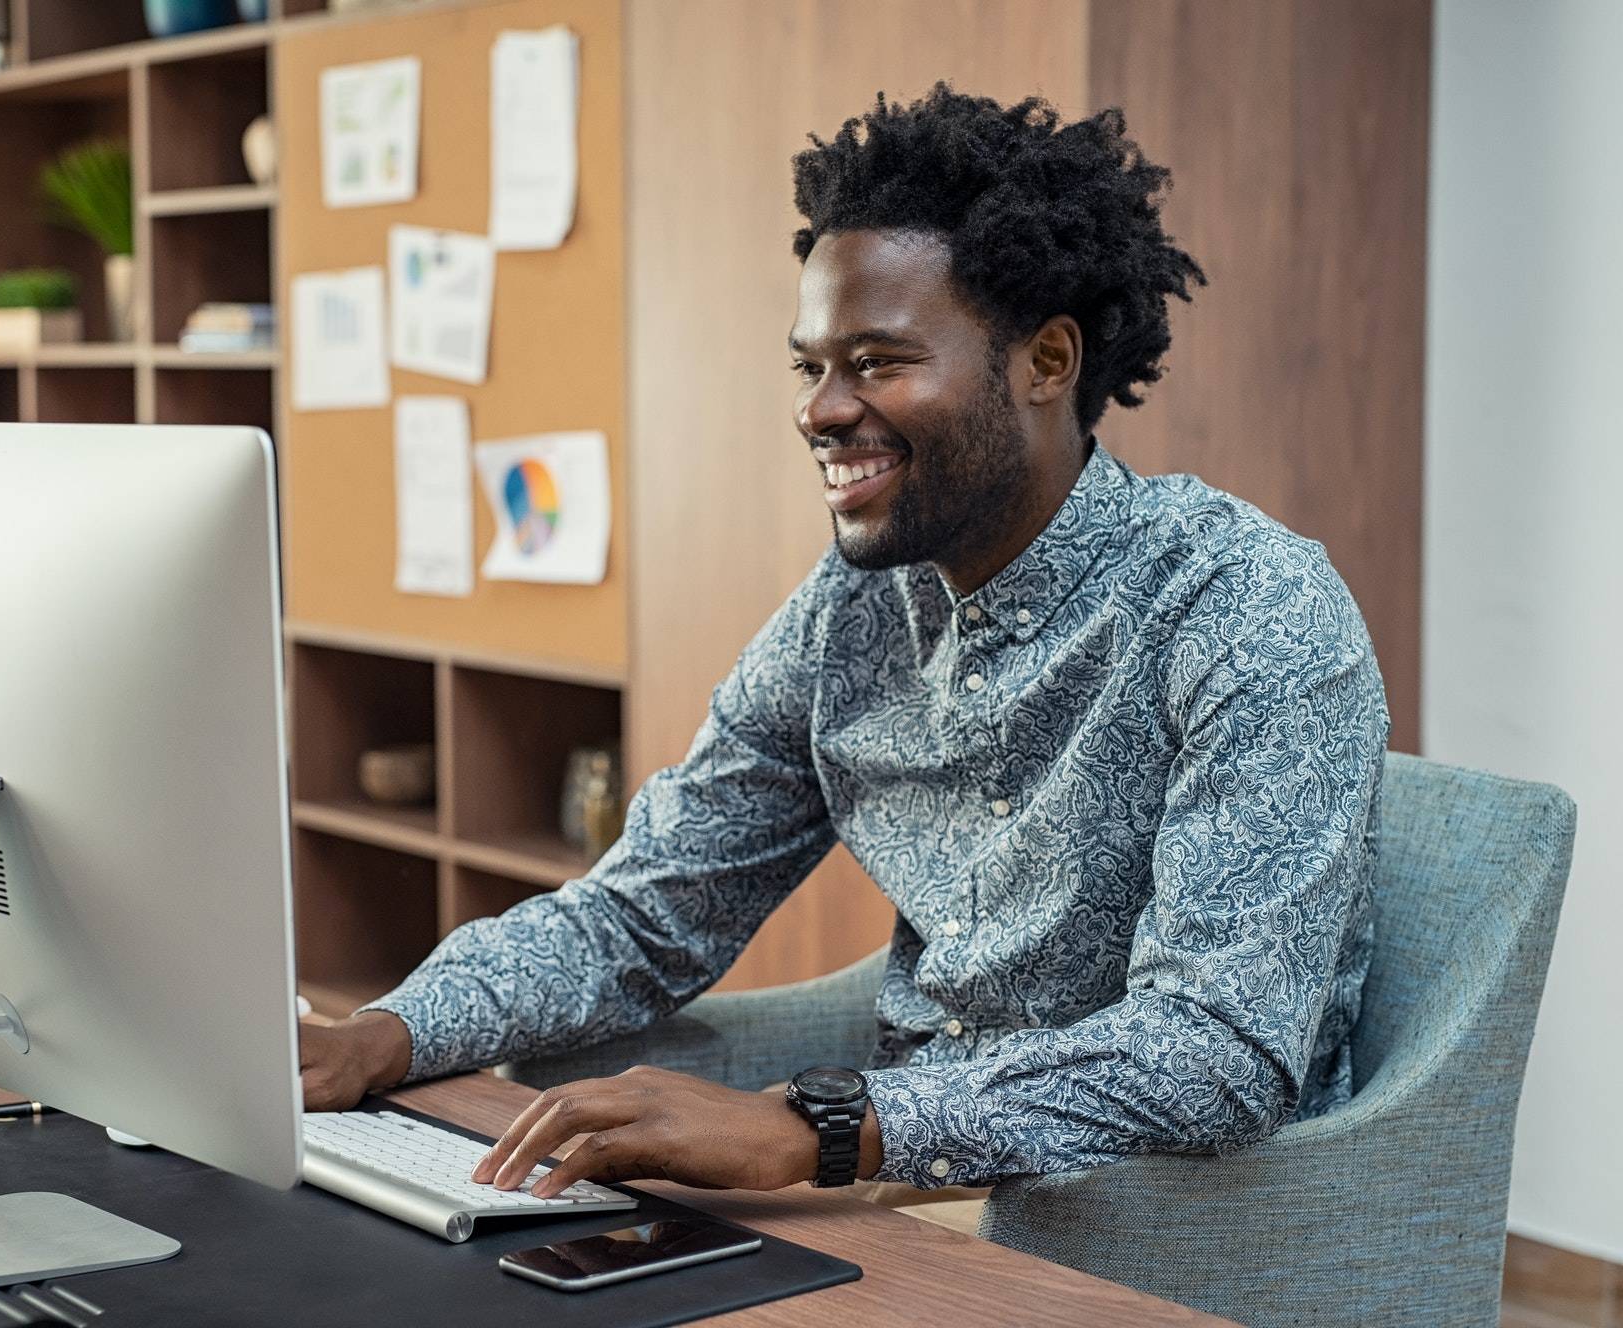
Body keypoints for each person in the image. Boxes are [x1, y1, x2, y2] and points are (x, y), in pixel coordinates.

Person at [298, 86, 1389, 1230]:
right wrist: (386, 1032)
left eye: (875, 361)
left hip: (1162, 1215)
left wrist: (813, 1127)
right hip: (899, 1178)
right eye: (809, 366)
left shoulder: (1246, 605)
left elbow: (1213, 1052)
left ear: (1047, 360)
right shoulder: (854, 609)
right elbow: (644, 911)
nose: (821, 411)